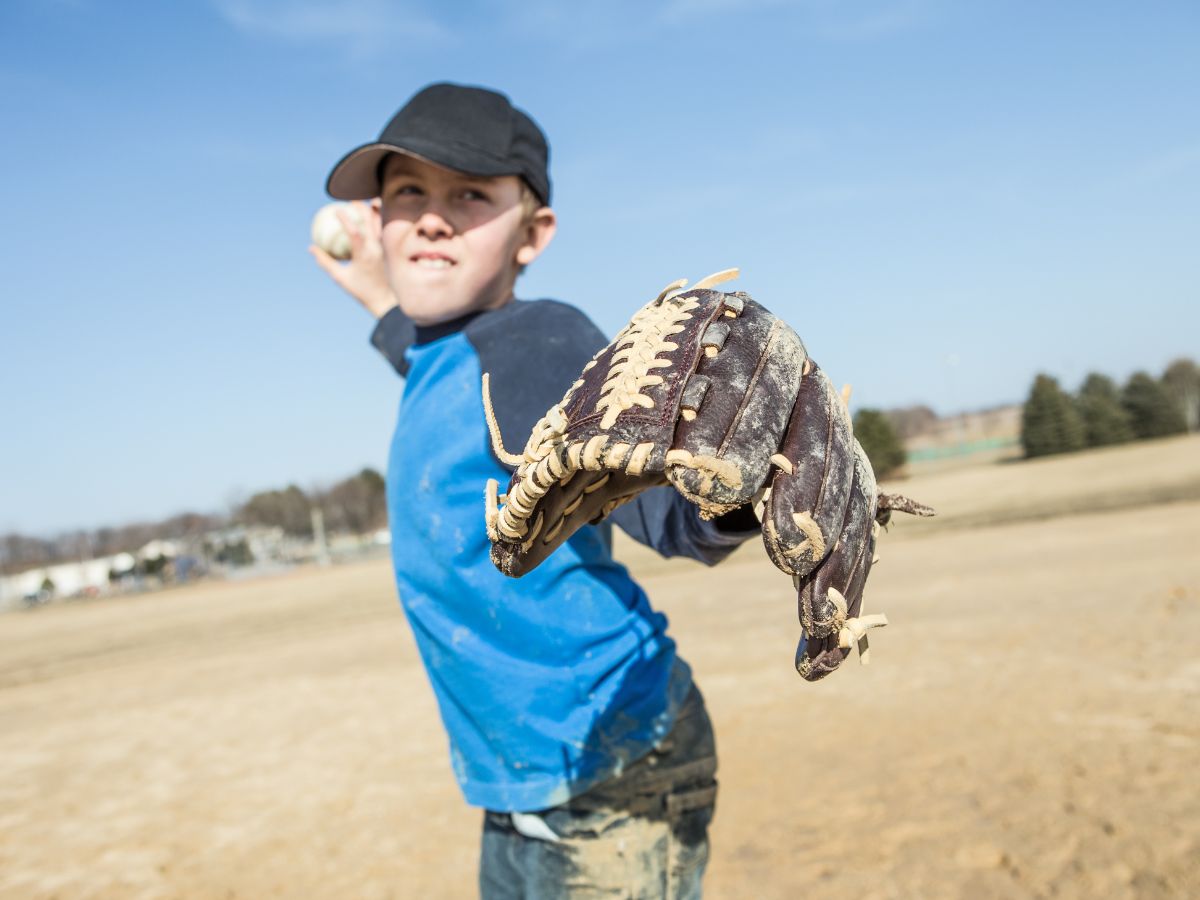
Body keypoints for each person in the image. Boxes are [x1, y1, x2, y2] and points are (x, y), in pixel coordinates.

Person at [311, 82, 762, 899]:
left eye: (470, 195)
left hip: (611, 767)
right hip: (522, 782)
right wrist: (382, 300)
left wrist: (735, 487)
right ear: (378, 221)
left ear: (533, 232)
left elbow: (669, 515)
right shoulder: (442, 351)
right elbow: (436, 365)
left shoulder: (542, 342)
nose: (433, 217)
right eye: (407, 192)